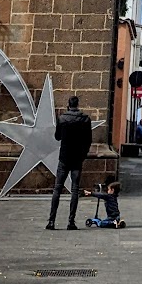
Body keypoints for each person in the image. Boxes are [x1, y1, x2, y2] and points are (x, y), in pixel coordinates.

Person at [46, 94, 93, 230]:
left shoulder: (62, 119)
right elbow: (88, 140)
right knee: (74, 190)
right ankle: (71, 221)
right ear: (78, 105)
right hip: (77, 158)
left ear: (68, 104)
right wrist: (83, 154)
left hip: (64, 157)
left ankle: (51, 221)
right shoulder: (85, 119)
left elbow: (57, 137)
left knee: (57, 188)